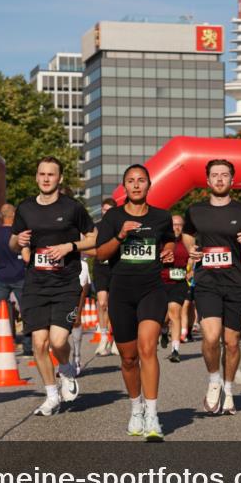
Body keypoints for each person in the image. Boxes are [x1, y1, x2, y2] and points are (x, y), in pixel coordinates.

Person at [10, 157, 96, 417]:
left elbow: (94, 237)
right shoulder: (25, 208)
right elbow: (15, 244)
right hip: (36, 283)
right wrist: (19, 241)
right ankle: (51, 395)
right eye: (41, 174)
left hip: (65, 283)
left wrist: (70, 246)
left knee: (58, 341)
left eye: (51, 174)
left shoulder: (72, 207)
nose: (46, 178)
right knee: (39, 342)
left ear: (59, 179)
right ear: (36, 177)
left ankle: (66, 368)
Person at [95, 165, 175, 440]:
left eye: (141, 180)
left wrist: (167, 252)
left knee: (147, 347)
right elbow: (100, 254)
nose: (136, 185)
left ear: (149, 184)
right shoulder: (114, 217)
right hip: (121, 292)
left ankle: (153, 415)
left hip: (152, 289)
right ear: (124, 187)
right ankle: (136, 408)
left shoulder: (161, 217)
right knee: (129, 358)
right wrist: (120, 236)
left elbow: (169, 243)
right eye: (131, 181)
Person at [182, 159, 241, 416]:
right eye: (214, 175)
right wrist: (190, 249)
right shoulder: (195, 210)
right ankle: (214, 380)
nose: (219, 179)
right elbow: (186, 233)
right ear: (207, 181)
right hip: (207, 282)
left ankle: (229, 389)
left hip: (235, 283)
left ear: (232, 180)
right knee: (210, 336)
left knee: (232, 342)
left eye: (224, 175)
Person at [0, 203, 32, 355]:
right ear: (14, 216)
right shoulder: (19, 234)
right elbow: (26, 257)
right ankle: (27, 346)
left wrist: (2, 261)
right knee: (26, 311)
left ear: (2, 216)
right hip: (20, 275)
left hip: (1, 277)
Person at [161, 214, 190, 363]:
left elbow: (194, 259)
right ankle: (164, 330)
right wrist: (162, 257)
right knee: (164, 317)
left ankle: (175, 350)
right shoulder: (162, 240)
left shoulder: (187, 242)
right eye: (174, 224)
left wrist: (191, 272)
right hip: (161, 282)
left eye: (179, 224)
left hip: (178, 283)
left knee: (175, 312)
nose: (176, 227)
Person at [93, 197, 118, 356]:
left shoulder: (119, 227)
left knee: (115, 306)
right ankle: (103, 337)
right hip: (100, 267)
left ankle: (116, 339)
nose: (106, 212)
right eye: (104, 209)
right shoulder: (96, 227)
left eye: (110, 210)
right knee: (102, 303)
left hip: (115, 268)